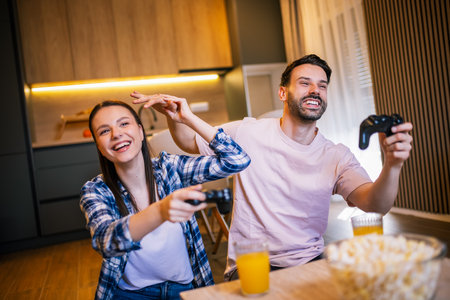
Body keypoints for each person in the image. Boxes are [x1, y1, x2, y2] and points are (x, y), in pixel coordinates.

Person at [130, 54, 413, 280]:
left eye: (322, 85)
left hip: (312, 261)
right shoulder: (247, 131)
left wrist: (393, 165)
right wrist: (174, 117)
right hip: (253, 265)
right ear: (282, 92)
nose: (315, 89)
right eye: (305, 82)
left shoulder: (336, 155)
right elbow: (188, 141)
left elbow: (374, 205)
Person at [80, 100, 250, 299]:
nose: (116, 134)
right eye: (104, 131)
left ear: (141, 132)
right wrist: (160, 211)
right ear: (99, 146)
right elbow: (105, 242)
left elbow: (237, 159)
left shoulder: (168, 168)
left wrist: (188, 119)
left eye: (124, 124)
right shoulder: (96, 191)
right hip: (130, 294)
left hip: (183, 288)